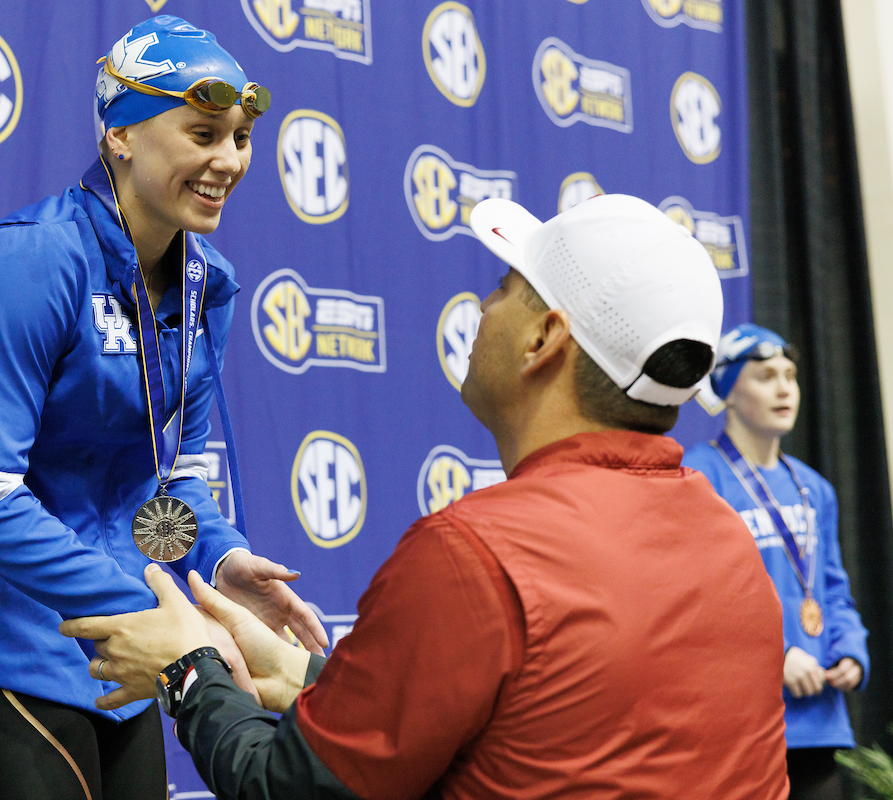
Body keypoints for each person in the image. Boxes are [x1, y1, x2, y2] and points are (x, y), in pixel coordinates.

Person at [61, 195, 792, 799]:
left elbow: (289, 791)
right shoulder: (728, 540)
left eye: (505, 287)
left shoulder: (479, 556)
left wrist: (188, 671)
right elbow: (531, 719)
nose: (483, 302)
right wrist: (294, 673)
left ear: (545, 339)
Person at [0, 15, 328, 800]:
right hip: (2, 648)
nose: (228, 160)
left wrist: (222, 565)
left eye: (238, 137)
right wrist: (163, 620)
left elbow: (168, 488)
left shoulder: (208, 284)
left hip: (127, 649)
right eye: (203, 132)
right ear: (121, 137)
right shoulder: (29, 263)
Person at [683, 324, 869, 800]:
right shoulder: (697, 478)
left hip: (819, 720)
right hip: (743, 721)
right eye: (766, 376)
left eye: (790, 375)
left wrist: (851, 650)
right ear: (727, 388)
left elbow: (832, 589)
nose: (785, 388)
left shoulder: (814, 488)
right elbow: (699, 598)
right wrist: (777, 655)